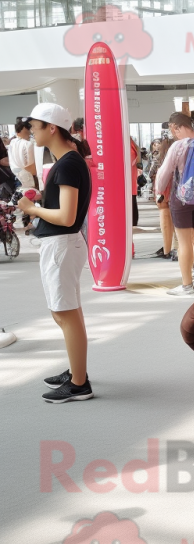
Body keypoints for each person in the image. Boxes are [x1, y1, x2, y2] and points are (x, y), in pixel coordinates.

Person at [17, 103, 93, 404]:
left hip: (62, 244)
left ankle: (79, 383)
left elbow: (66, 215)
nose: (31, 132)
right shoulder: (68, 161)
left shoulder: (67, 164)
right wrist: (39, 205)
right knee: (67, 311)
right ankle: (78, 372)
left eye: (35, 126)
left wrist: (32, 208)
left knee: (64, 313)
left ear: (51, 128)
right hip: (63, 243)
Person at [155, 112, 194, 296]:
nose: (174, 135)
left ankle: (186, 285)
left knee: (184, 243)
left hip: (181, 199)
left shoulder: (177, 147)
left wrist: (158, 192)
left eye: (174, 130)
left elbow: (164, 173)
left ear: (179, 127)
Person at [149, 137, 175, 259]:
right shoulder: (175, 157)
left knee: (165, 222)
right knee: (176, 223)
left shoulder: (158, 158)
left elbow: (150, 172)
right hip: (175, 190)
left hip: (162, 191)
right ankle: (176, 248)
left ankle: (166, 249)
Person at [8, 119, 37, 190]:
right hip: (29, 180)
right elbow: (32, 168)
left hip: (18, 178)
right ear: (24, 128)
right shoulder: (28, 144)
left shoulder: (12, 142)